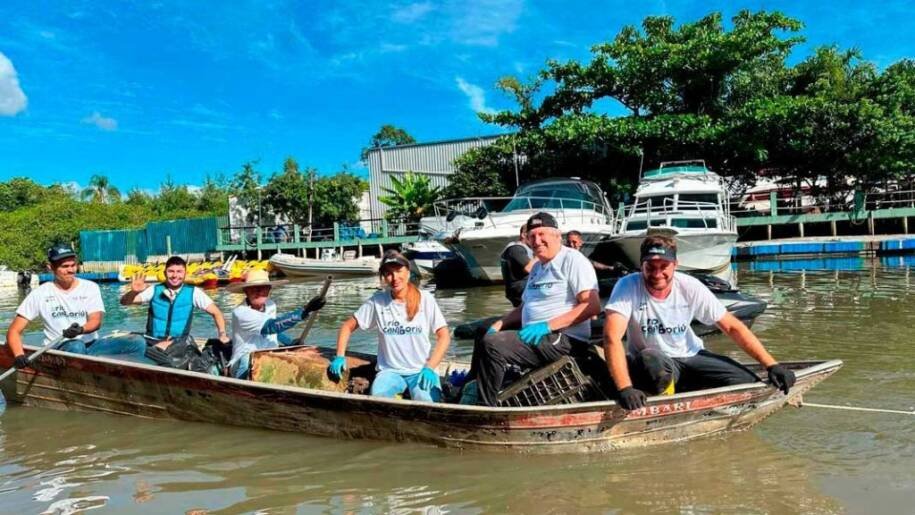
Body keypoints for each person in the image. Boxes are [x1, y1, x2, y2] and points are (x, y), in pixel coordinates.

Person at [603, 235, 796, 411]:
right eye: (650, 266)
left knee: (746, 381)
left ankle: (694, 391)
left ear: (675, 265)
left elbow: (732, 326)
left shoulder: (690, 286)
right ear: (641, 265)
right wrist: (625, 388)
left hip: (690, 355)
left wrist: (771, 365)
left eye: (664, 266)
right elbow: (611, 337)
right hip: (653, 363)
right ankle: (667, 403)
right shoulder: (627, 286)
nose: (657, 273)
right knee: (650, 358)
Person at [474, 212, 601, 406]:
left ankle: (486, 407)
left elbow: (591, 305)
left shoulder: (572, 260)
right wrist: (500, 323)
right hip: (536, 337)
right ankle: (470, 384)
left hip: (563, 339)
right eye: (532, 236)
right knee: (484, 331)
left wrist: (547, 326)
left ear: (557, 236)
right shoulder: (537, 268)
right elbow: (524, 307)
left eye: (542, 234)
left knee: (493, 344)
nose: (537, 240)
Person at [328, 250, 450, 402]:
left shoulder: (425, 299)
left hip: (421, 370)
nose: (394, 278)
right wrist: (340, 356)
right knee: (379, 397)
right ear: (384, 277)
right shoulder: (377, 302)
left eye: (399, 271)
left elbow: (444, 335)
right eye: (388, 273)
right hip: (390, 372)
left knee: (425, 399)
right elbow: (347, 326)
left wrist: (430, 368)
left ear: (408, 271)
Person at [5, 243, 148, 367]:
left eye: (73, 265)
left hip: (91, 345)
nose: (71, 270)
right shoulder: (40, 293)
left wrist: (80, 330)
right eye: (65, 266)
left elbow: (95, 321)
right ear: (50, 268)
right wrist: (19, 356)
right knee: (76, 346)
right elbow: (14, 331)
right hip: (59, 348)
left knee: (137, 342)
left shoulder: (90, 287)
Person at [227, 269, 326, 379]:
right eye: (253, 288)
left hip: (269, 357)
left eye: (263, 287)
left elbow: (274, 332)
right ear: (246, 291)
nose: (259, 291)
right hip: (243, 365)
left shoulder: (270, 305)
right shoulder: (241, 312)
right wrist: (304, 311)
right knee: (248, 359)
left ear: (269, 290)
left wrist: (290, 343)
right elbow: (271, 327)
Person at [120, 256, 231, 350]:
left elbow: (217, 313)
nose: (175, 275)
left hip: (179, 342)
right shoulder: (154, 290)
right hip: (152, 340)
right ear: (164, 273)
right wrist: (133, 292)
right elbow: (125, 302)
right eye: (171, 271)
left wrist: (222, 334)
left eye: (179, 271)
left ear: (185, 273)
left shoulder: (193, 292)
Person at [500, 225, 535, 307]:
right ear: (523, 235)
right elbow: (529, 268)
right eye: (532, 236)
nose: (536, 240)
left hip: (524, 288)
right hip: (520, 290)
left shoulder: (524, 248)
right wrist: (539, 254)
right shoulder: (516, 249)